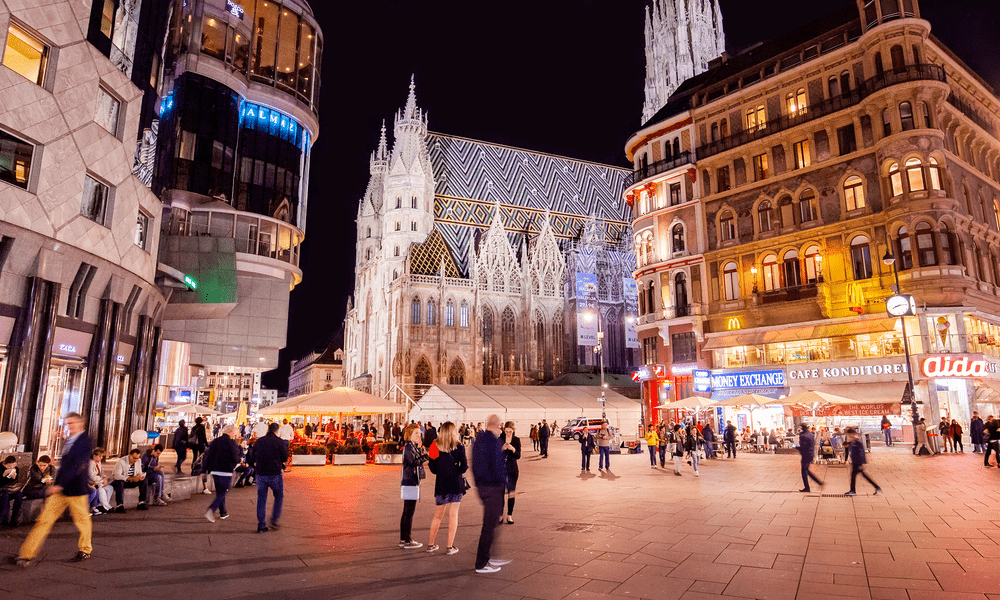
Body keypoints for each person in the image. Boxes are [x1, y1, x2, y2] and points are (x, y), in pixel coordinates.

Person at [16, 413, 94, 567]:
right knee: (44, 520)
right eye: (68, 423)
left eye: (72, 423)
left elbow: (78, 465)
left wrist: (60, 484)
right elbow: (66, 465)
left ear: (80, 424)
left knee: (82, 521)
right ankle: (26, 554)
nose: (69, 426)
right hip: (61, 489)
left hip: (75, 489)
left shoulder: (85, 441)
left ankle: (85, 549)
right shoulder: (68, 440)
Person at [473, 415, 508, 574]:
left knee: (491, 524)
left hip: (482, 487)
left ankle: (488, 558)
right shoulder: (493, 442)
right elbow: (498, 466)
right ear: (496, 426)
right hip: (493, 487)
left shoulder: (478, 440)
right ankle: (482, 562)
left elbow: (475, 465)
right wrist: (503, 485)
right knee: (490, 525)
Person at [426, 422, 467, 554]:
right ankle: (450, 547)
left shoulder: (434, 445)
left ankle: (430, 544)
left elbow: (432, 468)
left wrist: (441, 471)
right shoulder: (459, 446)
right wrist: (456, 470)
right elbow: (464, 466)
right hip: (456, 482)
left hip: (441, 483)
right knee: (453, 515)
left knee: (437, 515)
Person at [252, 422, 287, 532]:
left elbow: (252, 455)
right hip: (275, 473)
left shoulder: (259, 441)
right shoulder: (280, 442)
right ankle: (274, 519)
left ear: (268, 430)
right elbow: (284, 457)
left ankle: (261, 525)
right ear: (277, 431)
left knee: (261, 499)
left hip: (261, 473)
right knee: (279, 496)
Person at [204, 424, 242, 522]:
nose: (234, 434)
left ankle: (223, 512)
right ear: (231, 432)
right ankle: (211, 509)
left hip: (215, 470)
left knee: (220, 492)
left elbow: (208, 455)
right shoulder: (231, 443)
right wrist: (239, 458)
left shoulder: (215, 441)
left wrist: (205, 468)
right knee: (223, 492)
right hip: (226, 471)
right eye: (234, 432)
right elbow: (235, 457)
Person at [399, 424, 425, 549]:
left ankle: (404, 539)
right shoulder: (408, 447)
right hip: (410, 481)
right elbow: (414, 462)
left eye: (419, 433)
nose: (419, 435)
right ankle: (408, 540)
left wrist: (420, 451)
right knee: (409, 512)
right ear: (409, 434)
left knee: (406, 511)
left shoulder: (411, 447)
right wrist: (426, 456)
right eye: (416, 433)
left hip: (409, 481)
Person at [9, 456, 55, 526]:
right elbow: (37, 478)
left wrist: (50, 481)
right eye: (40, 465)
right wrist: (46, 480)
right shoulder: (33, 468)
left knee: (49, 492)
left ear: (48, 464)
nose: (42, 467)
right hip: (30, 489)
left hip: (42, 490)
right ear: (37, 462)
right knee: (19, 496)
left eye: (44, 465)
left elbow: (53, 479)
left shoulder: (52, 468)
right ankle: (14, 519)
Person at [845, 427, 881, 496]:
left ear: (852, 434)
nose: (848, 436)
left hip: (857, 463)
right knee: (863, 476)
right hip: (856, 462)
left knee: (854, 477)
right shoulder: (854, 442)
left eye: (849, 434)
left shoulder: (857, 442)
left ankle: (853, 491)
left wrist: (862, 463)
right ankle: (876, 487)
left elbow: (861, 453)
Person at [499, 421, 521, 523]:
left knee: (511, 493)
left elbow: (518, 456)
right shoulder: (499, 440)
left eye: (510, 432)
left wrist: (513, 449)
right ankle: (500, 515)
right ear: (504, 430)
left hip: (512, 470)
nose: (508, 433)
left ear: (513, 431)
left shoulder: (516, 440)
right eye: (507, 431)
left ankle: (509, 515)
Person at [797, 424, 824, 492]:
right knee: (806, 470)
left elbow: (803, 447)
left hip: (805, 455)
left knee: (804, 471)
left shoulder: (803, 436)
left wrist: (795, 447)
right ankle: (818, 483)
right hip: (811, 454)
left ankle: (808, 487)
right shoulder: (811, 434)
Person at [87, 448, 113, 515]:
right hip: (92, 482)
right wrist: (101, 481)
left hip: (98, 481)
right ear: (94, 456)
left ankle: (102, 506)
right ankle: (107, 507)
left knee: (110, 488)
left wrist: (104, 478)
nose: (101, 458)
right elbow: (91, 476)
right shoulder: (91, 463)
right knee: (101, 490)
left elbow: (101, 472)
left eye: (102, 456)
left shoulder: (99, 463)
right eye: (100, 456)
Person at [1, 455, 19, 526]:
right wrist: (3, 475)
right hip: (3, 490)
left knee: (19, 495)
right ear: (4, 464)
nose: (11, 468)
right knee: (5, 497)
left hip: (11, 489)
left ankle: (14, 519)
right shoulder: (1, 468)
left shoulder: (16, 469)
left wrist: (13, 477)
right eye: (9, 467)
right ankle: (2, 520)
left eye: (13, 466)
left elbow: (15, 481)